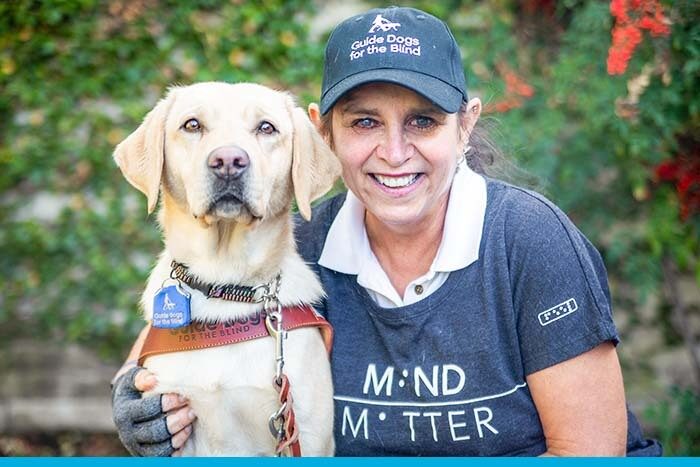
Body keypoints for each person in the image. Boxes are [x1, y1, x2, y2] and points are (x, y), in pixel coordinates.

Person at [111, 6, 662, 456]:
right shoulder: (300, 245)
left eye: (422, 120)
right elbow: (185, 308)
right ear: (322, 134)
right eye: (365, 121)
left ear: (465, 125)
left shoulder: (528, 241)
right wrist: (133, 395)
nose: (394, 153)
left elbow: (588, 453)